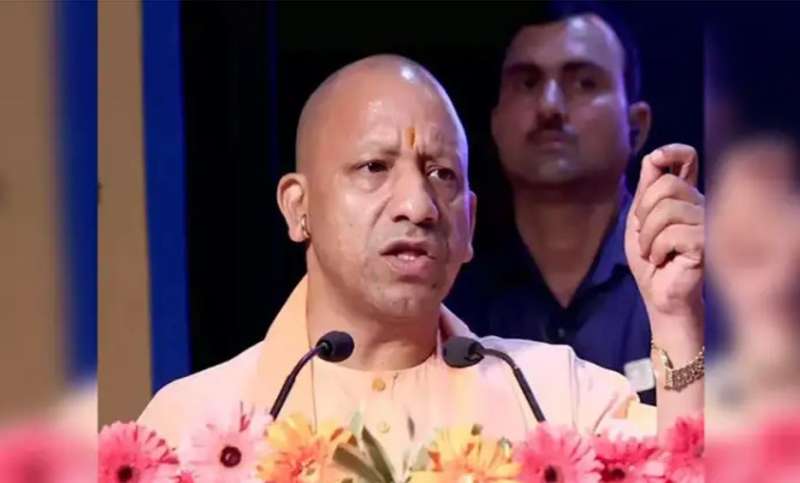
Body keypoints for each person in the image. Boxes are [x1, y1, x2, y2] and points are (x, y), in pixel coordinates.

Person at [139, 55, 704, 469]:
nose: (418, 206)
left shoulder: (557, 399)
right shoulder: (196, 427)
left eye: (442, 174)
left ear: (469, 225)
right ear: (298, 207)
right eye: (374, 167)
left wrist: (676, 316)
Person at [446, 7, 674, 404]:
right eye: (527, 83)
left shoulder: (689, 275)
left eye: (583, 83)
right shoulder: (448, 291)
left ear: (636, 126)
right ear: (495, 124)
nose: (549, 107)